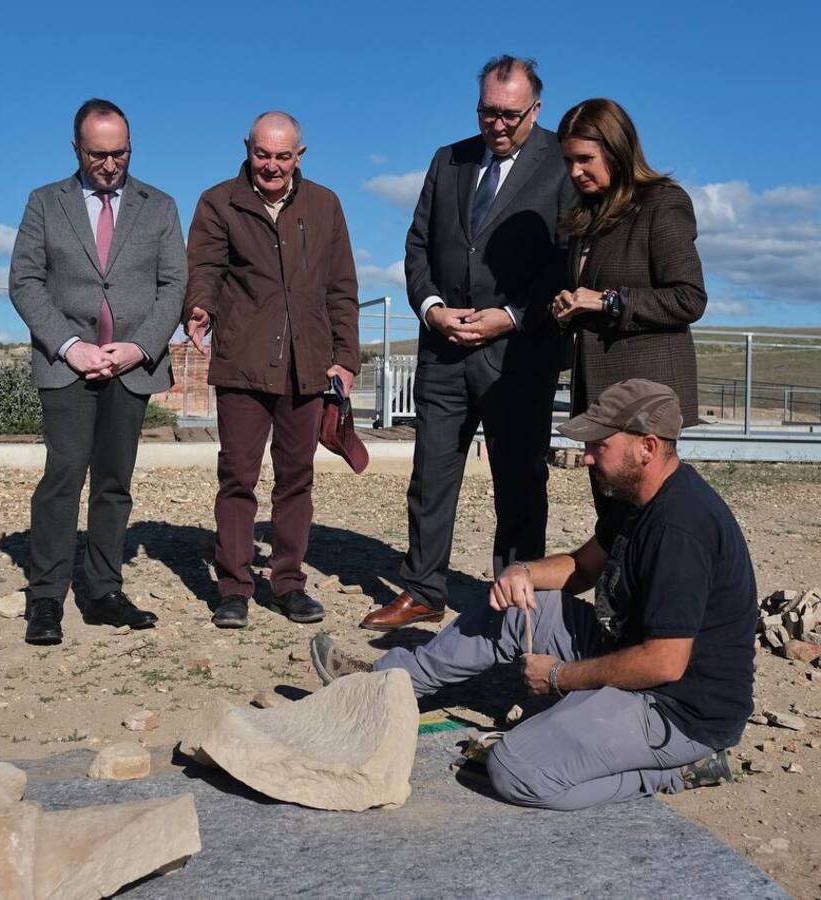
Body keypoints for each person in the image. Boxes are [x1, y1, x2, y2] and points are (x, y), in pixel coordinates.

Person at [312, 379, 757, 811]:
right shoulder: (639, 497)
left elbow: (665, 661)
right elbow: (582, 567)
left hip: (680, 710)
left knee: (515, 769)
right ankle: (385, 685)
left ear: (648, 447)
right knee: (521, 605)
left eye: (599, 445)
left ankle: (675, 771)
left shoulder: (680, 528)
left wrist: (561, 676)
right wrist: (524, 572)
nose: (585, 457)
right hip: (636, 659)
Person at [362, 56, 576, 633]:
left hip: (518, 356)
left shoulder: (564, 164)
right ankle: (423, 589)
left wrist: (510, 316)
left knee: (520, 480)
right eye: (487, 112)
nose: (497, 124)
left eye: (510, 114)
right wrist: (432, 309)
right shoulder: (448, 159)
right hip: (444, 350)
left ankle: (515, 598)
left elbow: (565, 262)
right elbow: (417, 246)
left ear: (536, 108)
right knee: (431, 475)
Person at [9, 99, 187, 646]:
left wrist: (139, 347)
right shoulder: (45, 203)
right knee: (63, 477)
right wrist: (69, 346)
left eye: (120, 153)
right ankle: (46, 597)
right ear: (76, 149)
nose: (110, 165)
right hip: (68, 367)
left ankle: (105, 591)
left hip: (132, 367)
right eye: (98, 154)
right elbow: (25, 281)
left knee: (115, 482)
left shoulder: (160, 206)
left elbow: (174, 285)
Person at [184, 111, 359, 629]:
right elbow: (205, 268)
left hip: (307, 365)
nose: (273, 165)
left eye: (284, 156)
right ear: (248, 148)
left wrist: (346, 358)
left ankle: (287, 582)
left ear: (299, 155)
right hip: (243, 362)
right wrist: (199, 307)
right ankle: (234, 587)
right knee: (238, 477)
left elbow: (341, 288)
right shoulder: (219, 202)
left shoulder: (325, 205)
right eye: (263, 154)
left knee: (295, 480)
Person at [552, 97, 707, 522]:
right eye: (567, 160)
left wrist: (607, 300)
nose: (574, 172)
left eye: (584, 159)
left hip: (646, 401)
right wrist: (569, 306)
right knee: (611, 519)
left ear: (617, 149)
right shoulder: (587, 216)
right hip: (597, 394)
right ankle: (616, 591)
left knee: (647, 520)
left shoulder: (663, 203)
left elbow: (690, 298)